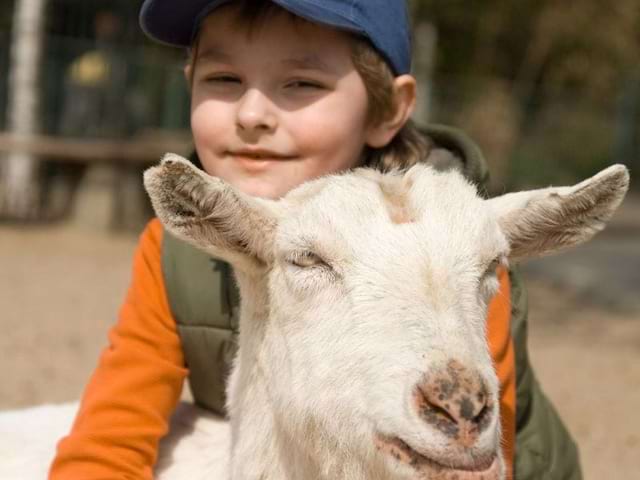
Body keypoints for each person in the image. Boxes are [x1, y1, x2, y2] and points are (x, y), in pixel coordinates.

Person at [49, 1, 582, 479]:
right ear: (188, 83)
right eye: (223, 78)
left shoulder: (456, 248)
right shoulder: (177, 248)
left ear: (386, 111)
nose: (252, 115)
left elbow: (472, 446)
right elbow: (114, 433)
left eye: (301, 84)